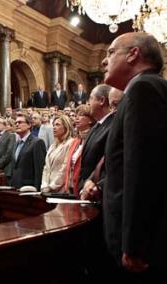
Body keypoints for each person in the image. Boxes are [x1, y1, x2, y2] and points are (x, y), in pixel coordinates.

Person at [102, 32, 167, 279]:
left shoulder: (144, 88)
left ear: (133, 54)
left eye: (110, 52)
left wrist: (134, 243)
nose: (104, 61)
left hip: (142, 247)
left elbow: (142, 170)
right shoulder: (144, 88)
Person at [63, 105, 95, 195]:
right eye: (76, 115)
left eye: (80, 115)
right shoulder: (75, 141)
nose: (76, 118)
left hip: (84, 188)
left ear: (90, 120)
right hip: (70, 188)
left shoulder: (93, 140)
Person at [10, 114, 46, 190]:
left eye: (20, 122)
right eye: (16, 123)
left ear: (29, 125)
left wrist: (37, 190)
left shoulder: (37, 142)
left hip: (29, 188)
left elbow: (39, 170)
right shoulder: (16, 143)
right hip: (15, 187)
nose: (17, 124)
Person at [40, 115, 74, 193]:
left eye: (57, 125)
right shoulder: (52, 145)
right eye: (53, 125)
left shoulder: (70, 143)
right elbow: (46, 167)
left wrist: (52, 186)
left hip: (61, 189)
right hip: (47, 189)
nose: (54, 127)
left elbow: (65, 168)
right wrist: (44, 185)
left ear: (66, 127)